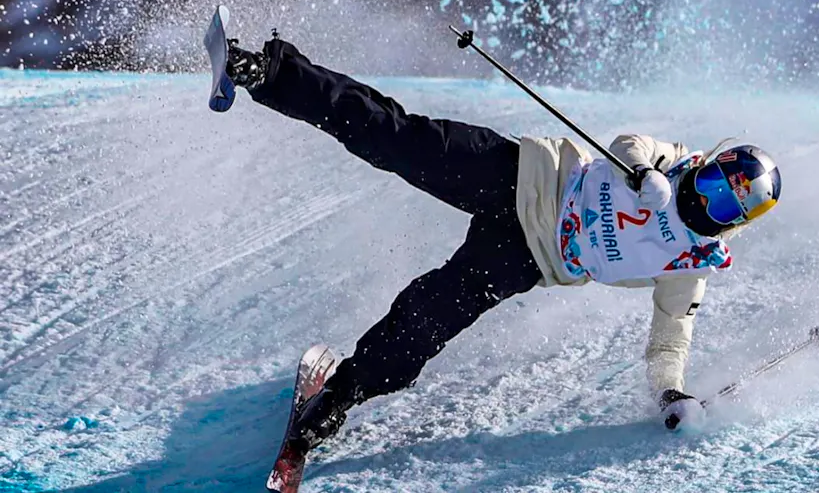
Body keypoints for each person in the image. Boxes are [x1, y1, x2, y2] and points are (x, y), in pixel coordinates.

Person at [222, 34, 781, 454]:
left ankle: (341, 395)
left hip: (525, 255)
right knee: (394, 137)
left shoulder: (690, 264)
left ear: (740, 222)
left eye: (728, 207)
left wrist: (671, 394)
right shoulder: (672, 160)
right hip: (520, 174)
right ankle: (266, 72)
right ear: (710, 164)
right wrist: (640, 170)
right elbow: (628, 141)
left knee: (430, 316)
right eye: (713, 185)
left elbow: (668, 346)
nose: (708, 203)